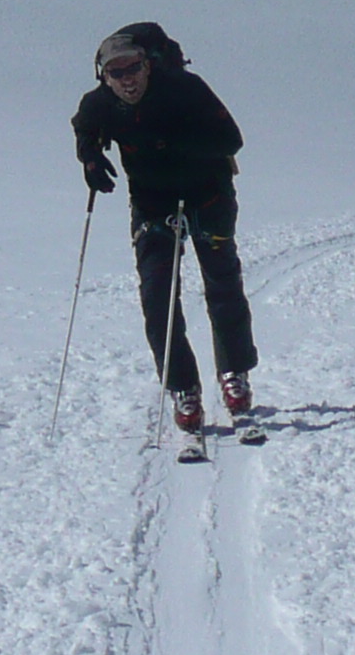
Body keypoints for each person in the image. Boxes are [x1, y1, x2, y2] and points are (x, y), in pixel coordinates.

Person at [73, 22, 258, 434]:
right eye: (116, 73)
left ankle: (235, 374)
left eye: (133, 68)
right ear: (103, 76)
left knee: (222, 284)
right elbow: (84, 126)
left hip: (209, 197)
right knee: (158, 298)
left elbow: (231, 139)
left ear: (148, 65)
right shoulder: (99, 104)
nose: (127, 79)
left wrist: (178, 144)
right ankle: (183, 387)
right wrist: (89, 158)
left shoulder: (186, 89)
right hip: (153, 205)